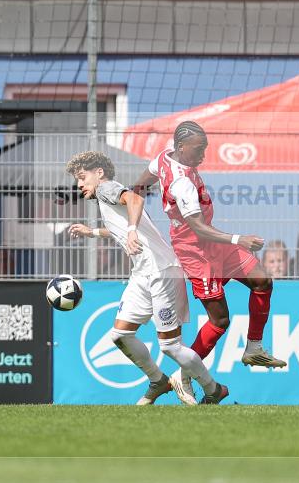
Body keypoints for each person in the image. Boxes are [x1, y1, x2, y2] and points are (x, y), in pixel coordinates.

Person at [66, 151, 228, 405]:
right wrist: (93, 232)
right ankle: (158, 381)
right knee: (120, 335)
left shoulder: (107, 187)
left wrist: (131, 231)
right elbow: (124, 224)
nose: (79, 184)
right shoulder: (107, 198)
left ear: (99, 173)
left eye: (82, 177)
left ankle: (213, 388)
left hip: (160, 270)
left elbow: (135, 200)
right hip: (142, 273)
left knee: (170, 346)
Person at [133, 121, 286, 368]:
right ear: (181, 147)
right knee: (220, 320)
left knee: (263, 281)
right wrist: (240, 239)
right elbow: (198, 228)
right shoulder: (182, 184)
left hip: (214, 242)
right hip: (196, 251)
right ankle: (184, 376)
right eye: (198, 150)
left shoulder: (164, 157)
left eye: (205, 149)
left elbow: (142, 183)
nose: (203, 155)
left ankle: (254, 348)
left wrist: (132, 195)